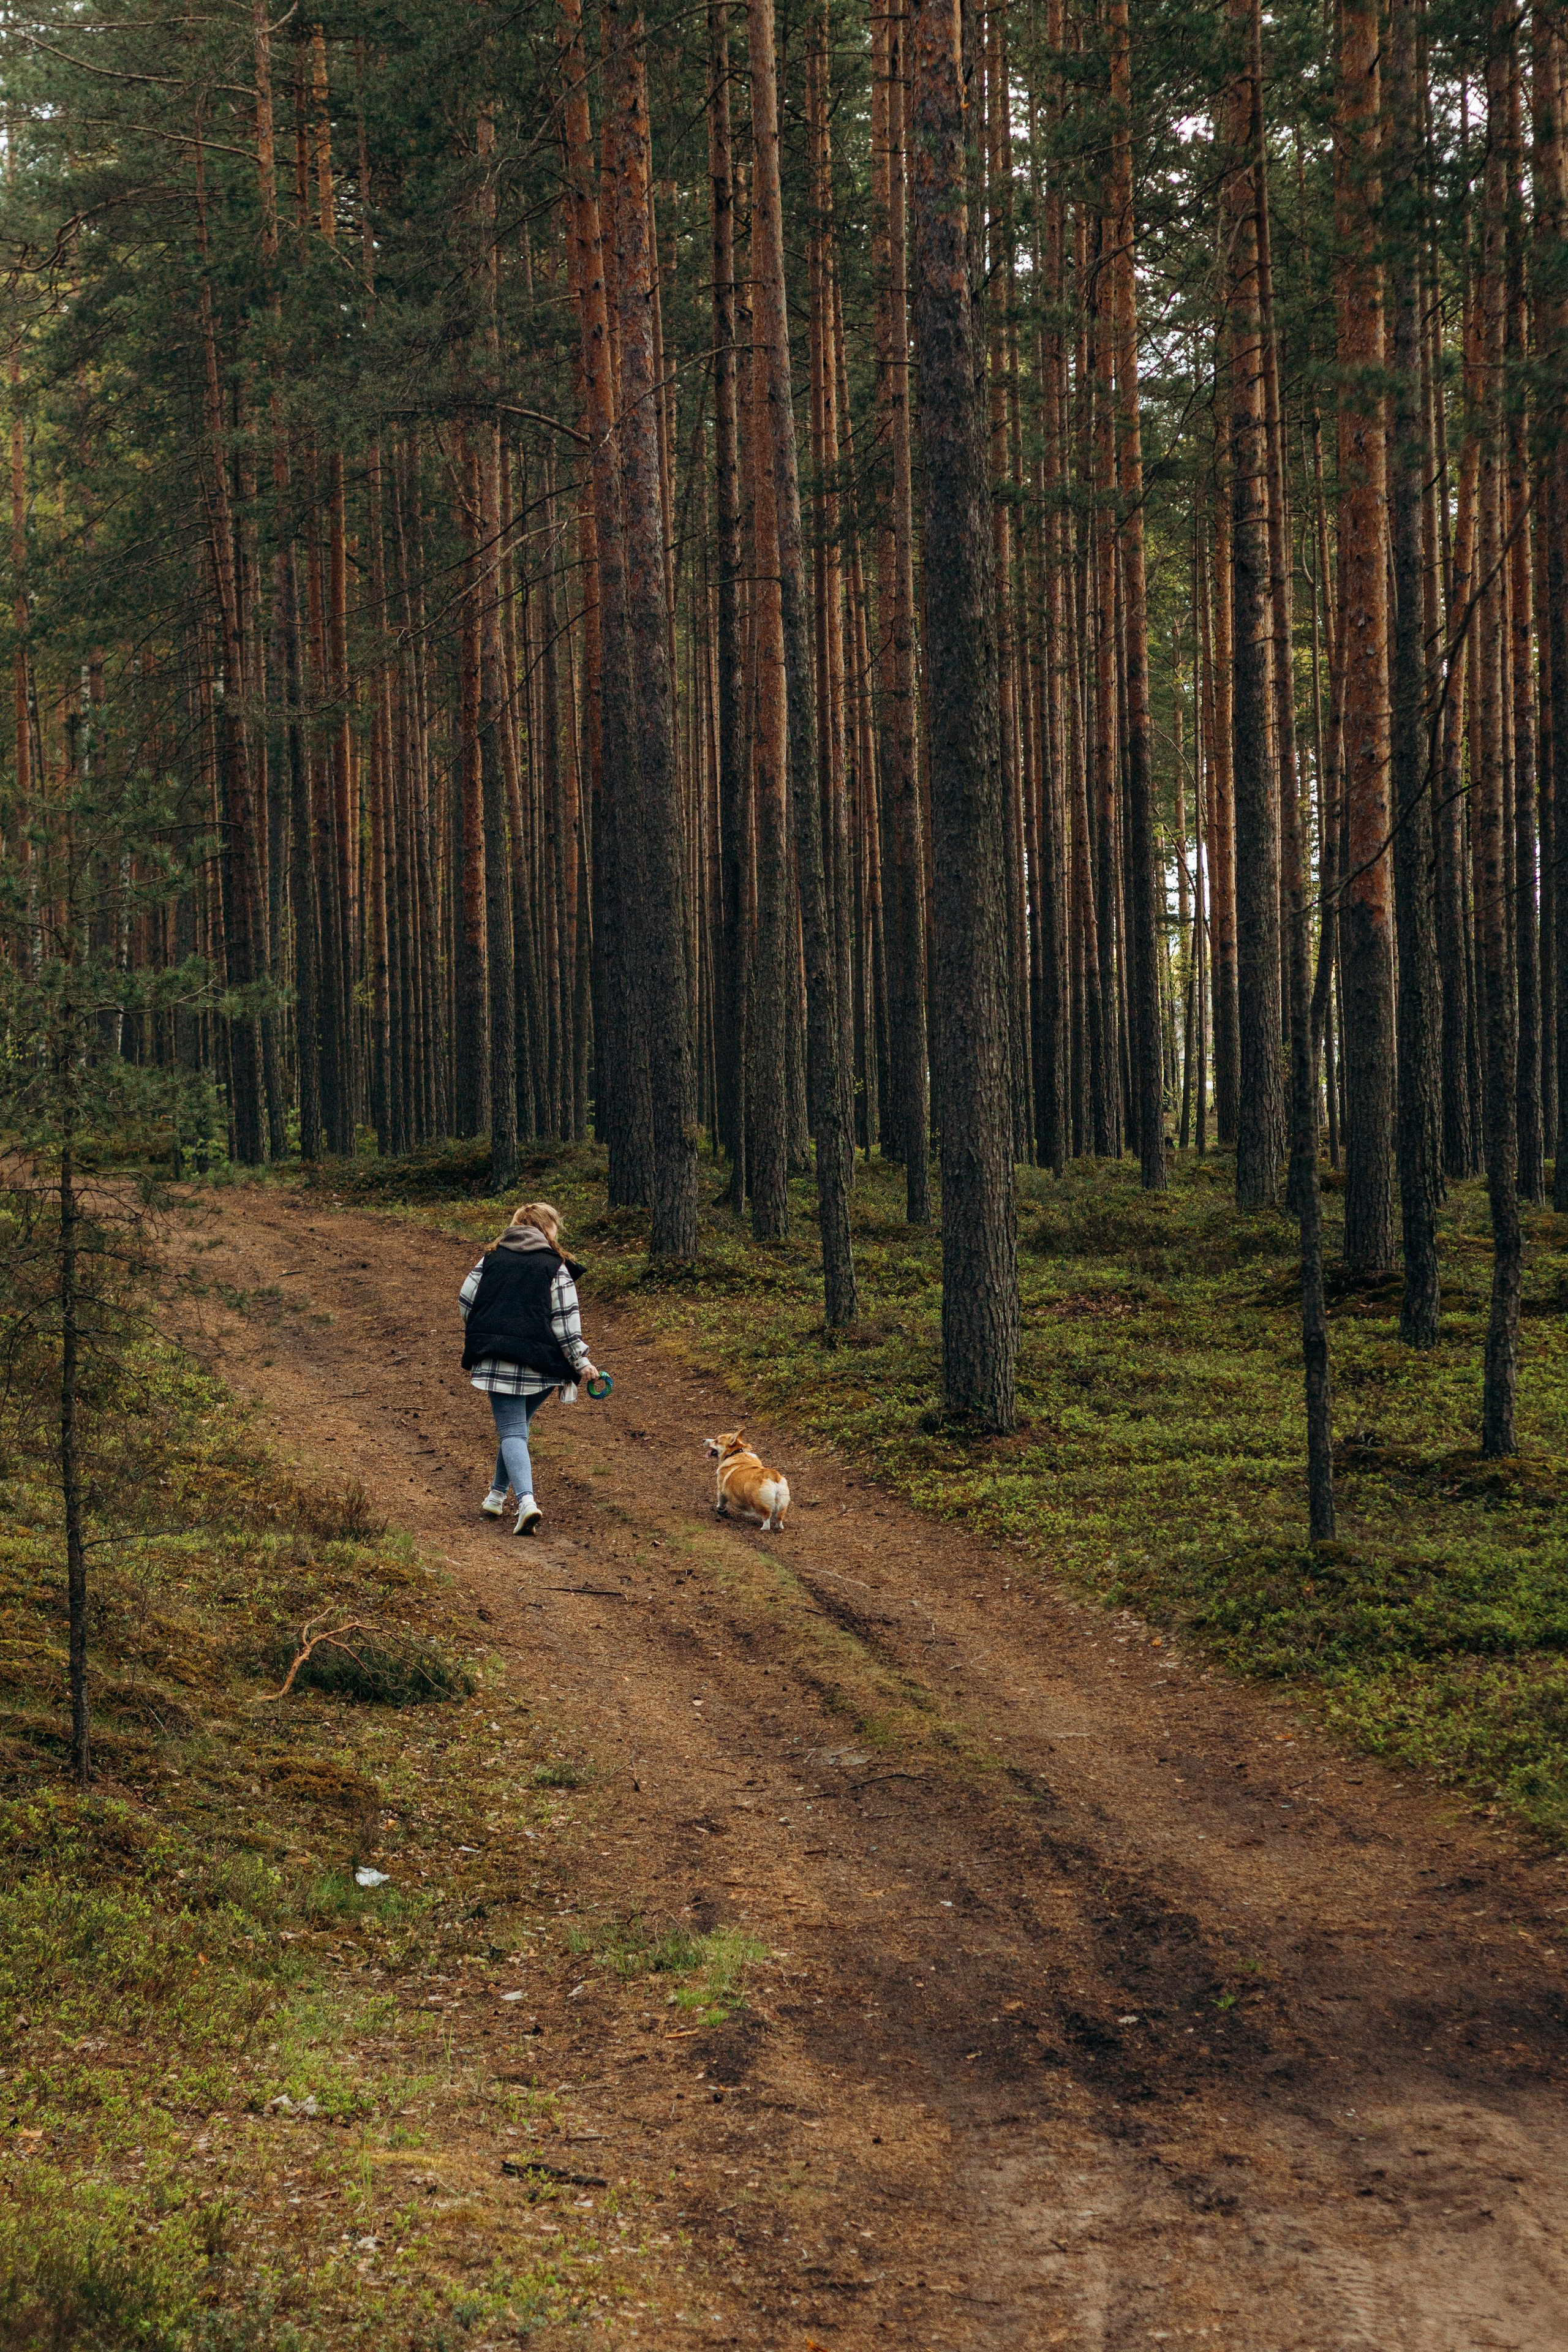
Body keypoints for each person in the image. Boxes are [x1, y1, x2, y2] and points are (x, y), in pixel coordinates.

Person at [458, 1201, 599, 1537]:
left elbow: (466, 1300)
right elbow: (566, 1324)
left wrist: (485, 1330)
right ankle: (504, 1499)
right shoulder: (556, 1266)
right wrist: (582, 1362)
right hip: (541, 1364)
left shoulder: (490, 1259)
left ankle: (517, 1501)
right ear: (547, 1228)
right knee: (516, 1431)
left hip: (497, 1358)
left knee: (513, 1432)